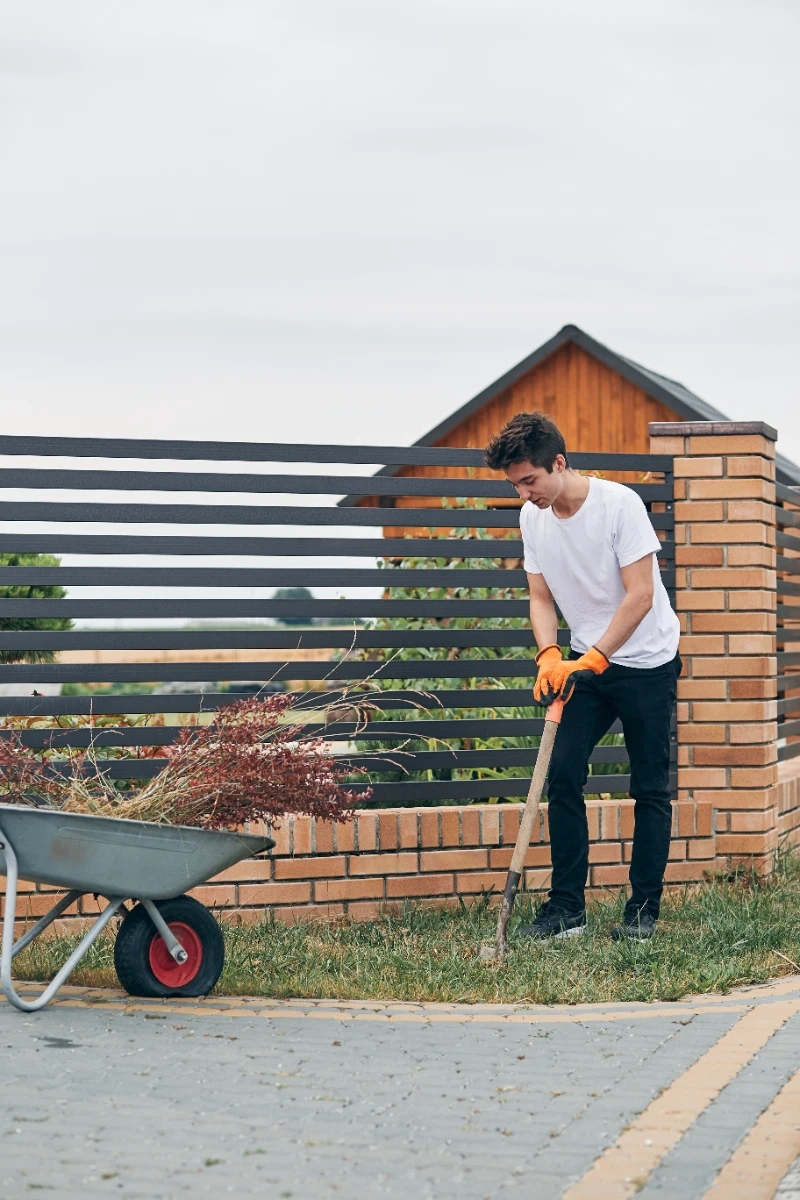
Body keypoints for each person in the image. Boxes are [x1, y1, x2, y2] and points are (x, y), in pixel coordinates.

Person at [485, 412, 681, 941]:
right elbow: (540, 596)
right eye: (515, 484)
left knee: (648, 789)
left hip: (645, 662)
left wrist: (595, 657)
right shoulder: (533, 518)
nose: (525, 493)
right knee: (563, 774)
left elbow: (640, 596)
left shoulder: (619, 505)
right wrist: (549, 653)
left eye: (531, 480)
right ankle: (567, 909)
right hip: (580, 663)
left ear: (560, 462)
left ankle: (642, 911)